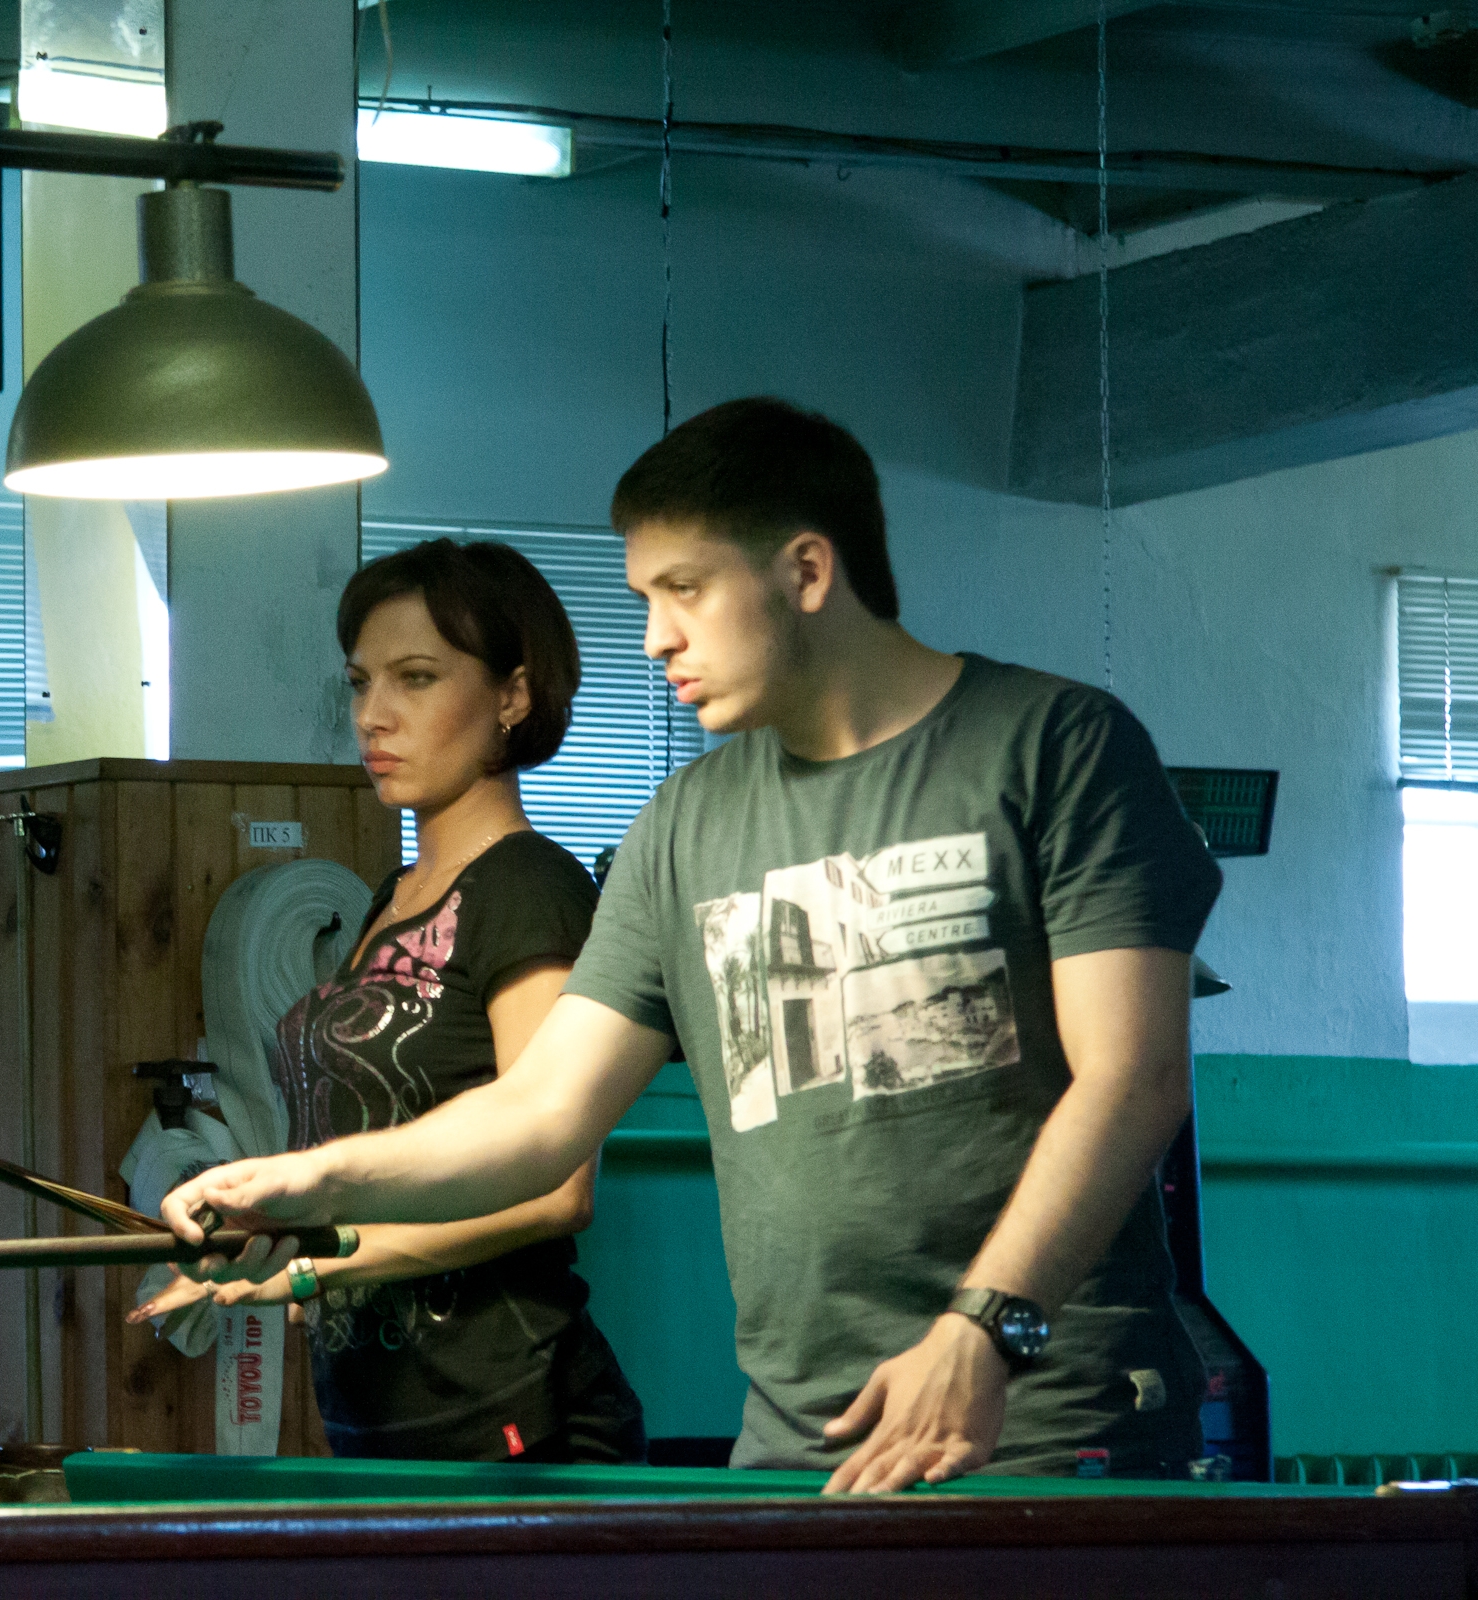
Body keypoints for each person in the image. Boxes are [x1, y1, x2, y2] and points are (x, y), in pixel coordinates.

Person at [164, 398, 1223, 1493]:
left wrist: (986, 1329)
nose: (655, 637)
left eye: (686, 590)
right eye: (645, 600)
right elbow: (540, 1112)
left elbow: (1133, 1077)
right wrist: (306, 1180)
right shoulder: (681, 824)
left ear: (806, 571)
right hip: (803, 1442)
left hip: (1040, 1425)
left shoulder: (1056, 746)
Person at [134, 538, 646, 1464]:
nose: (374, 715)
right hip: (377, 1416)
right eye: (361, 682)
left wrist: (313, 1268)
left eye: (416, 678)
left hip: (516, 1416)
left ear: (513, 696)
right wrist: (272, 1240)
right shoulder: (393, 897)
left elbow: (558, 1189)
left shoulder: (529, 886)